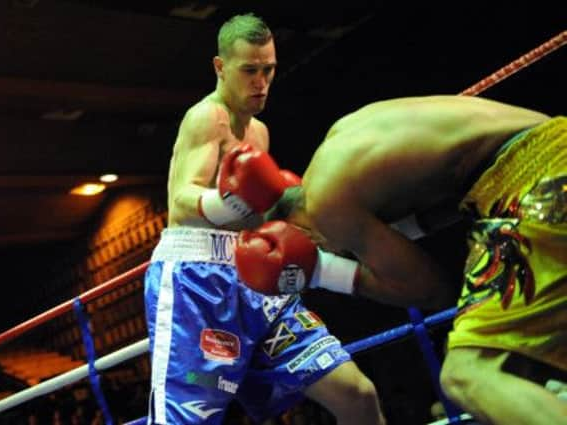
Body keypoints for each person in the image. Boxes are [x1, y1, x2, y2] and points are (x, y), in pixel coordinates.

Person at [228, 95, 567, 425]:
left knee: (470, 374)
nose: (342, 253)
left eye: (321, 251)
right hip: (548, 152)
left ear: (302, 235)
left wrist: (324, 271)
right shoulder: (344, 144)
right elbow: (446, 205)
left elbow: (433, 292)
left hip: (534, 180)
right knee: (528, 363)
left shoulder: (324, 204)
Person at [143, 13, 386, 425]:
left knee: (356, 394)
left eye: (268, 70)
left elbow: (256, 214)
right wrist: (233, 202)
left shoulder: (260, 134)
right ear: (221, 68)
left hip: (255, 277)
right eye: (249, 71)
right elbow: (182, 202)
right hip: (197, 284)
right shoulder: (206, 117)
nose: (261, 82)